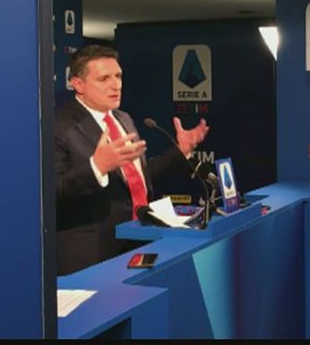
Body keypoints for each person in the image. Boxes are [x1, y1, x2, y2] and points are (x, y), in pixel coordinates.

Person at [56, 45, 210, 275]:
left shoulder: (123, 118)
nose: (116, 85)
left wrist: (180, 152)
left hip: (136, 242)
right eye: (104, 78)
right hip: (91, 254)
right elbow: (51, 194)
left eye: (118, 76)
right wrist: (97, 167)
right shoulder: (59, 126)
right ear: (78, 84)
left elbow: (137, 179)